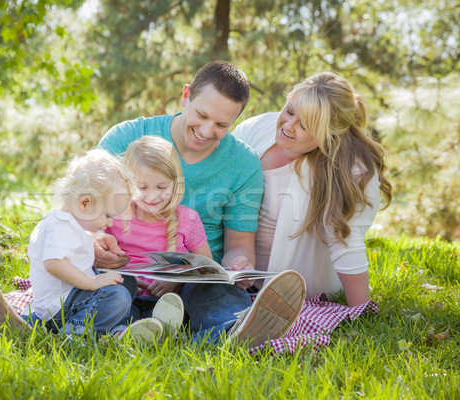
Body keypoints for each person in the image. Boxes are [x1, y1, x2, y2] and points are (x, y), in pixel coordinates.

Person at [96, 61, 306, 346]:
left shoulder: (242, 164)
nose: (207, 131)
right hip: (121, 273)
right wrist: (94, 241)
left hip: (193, 282)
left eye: (221, 125)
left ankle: (232, 332)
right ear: (186, 96)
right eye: (202, 115)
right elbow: (83, 211)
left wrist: (238, 264)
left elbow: (239, 243)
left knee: (218, 296)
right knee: (101, 289)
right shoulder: (126, 138)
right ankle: (128, 330)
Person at [0, 149, 183, 342]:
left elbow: (76, 259)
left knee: (125, 282)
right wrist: (92, 282)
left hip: (72, 298)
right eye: (108, 215)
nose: (110, 223)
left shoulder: (72, 224)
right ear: (84, 203)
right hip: (57, 310)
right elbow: (54, 264)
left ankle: (120, 331)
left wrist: (100, 257)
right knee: (116, 296)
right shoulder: (59, 225)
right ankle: (72, 335)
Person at [232, 71, 393, 307]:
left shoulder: (348, 169)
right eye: (289, 110)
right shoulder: (258, 128)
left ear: (329, 135)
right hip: (234, 272)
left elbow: (347, 242)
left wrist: (361, 310)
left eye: (305, 125)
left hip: (291, 289)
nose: (288, 126)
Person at [105, 136, 213, 323]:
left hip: (169, 302)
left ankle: (158, 326)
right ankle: (130, 328)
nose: (152, 196)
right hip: (123, 297)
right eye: (142, 187)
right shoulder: (115, 215)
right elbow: (96, 258)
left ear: (175, 184)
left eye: (161, 187)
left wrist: (176, 280)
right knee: (118, 303)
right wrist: (123, 279)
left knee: (197, 298)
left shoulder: (188, 219)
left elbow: (207, 265)